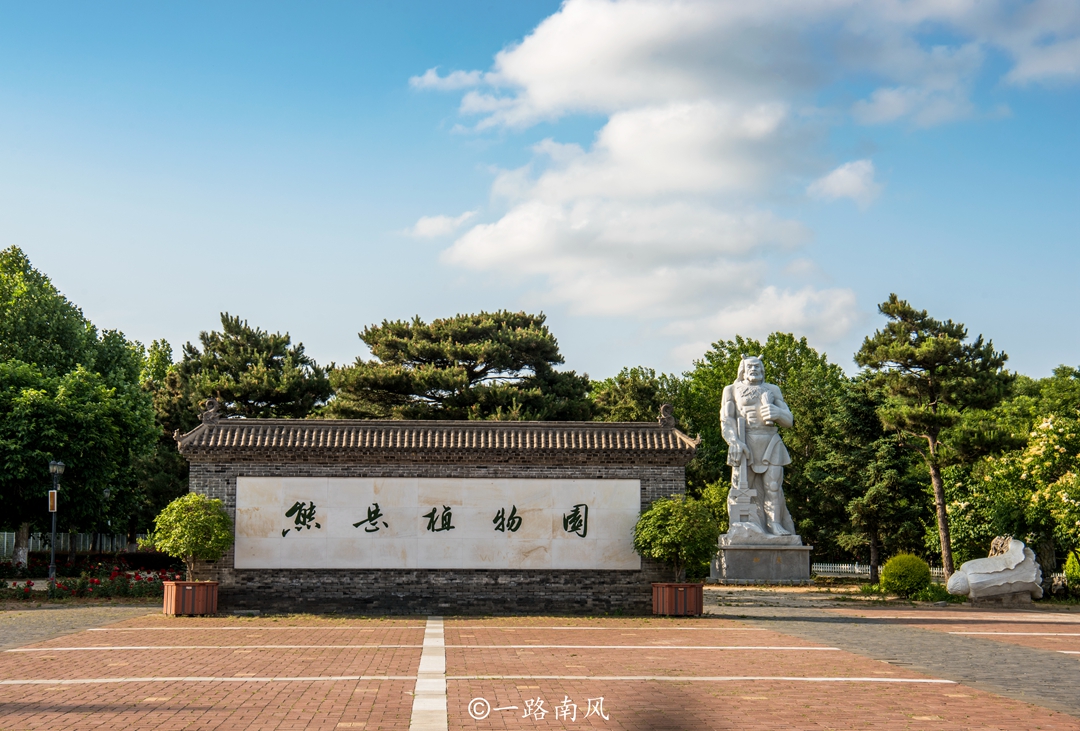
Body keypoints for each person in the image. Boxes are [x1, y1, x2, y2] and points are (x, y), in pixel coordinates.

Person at [720, 355, 796, 538]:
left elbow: (789, 420)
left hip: (770, 440)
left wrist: (777, 412)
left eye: (757, 366)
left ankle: (774, 524)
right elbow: (726, 419)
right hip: (745, 442)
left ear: (762, 368)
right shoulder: (731, 390)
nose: (754, 369)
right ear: (743, 369)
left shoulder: (772, 390)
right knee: (741, 488)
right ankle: (744, 527)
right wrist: (734, 441)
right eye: (750, 366)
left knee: (773, 486)